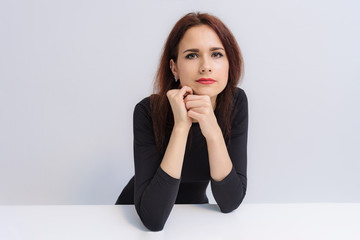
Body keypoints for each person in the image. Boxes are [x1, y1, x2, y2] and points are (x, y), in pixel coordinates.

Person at [115, 12, 248, 231]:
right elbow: (153, 220)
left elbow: (230, 202)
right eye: (192, 55)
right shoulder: (147, 111)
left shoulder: (236, 103)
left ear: (229, 62)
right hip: (129, 222)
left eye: (216, 54)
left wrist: (212, 130)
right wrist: (181, 126)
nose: (206, 66)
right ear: (174, 67)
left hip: (196, 218)